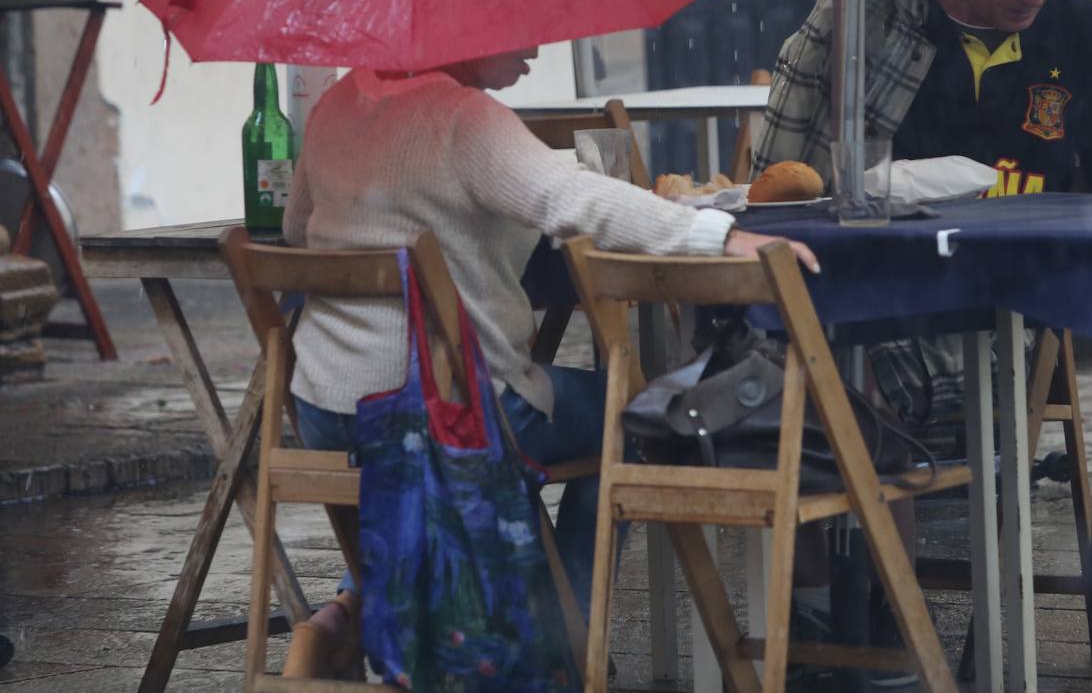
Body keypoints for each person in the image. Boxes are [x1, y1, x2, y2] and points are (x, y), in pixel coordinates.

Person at [278, 49, 819, 678]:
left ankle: (350, 607)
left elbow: (296, 228)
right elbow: (574, 197)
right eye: (519, 31)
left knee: (442, 461)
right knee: (636, 418)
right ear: (472, 26)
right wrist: (718, 234)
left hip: (326, 407)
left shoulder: (339, 101)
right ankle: (568, 646)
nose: (534, 50)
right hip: (442, 409)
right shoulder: (466, 118)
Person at [754, 0, 1092, 424]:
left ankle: (901, 484)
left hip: (1024, 286)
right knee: (843, 352)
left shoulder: (1079, 30)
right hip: (894, 277)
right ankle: (884, 494)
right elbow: (783, 176)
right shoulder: (868, 18)